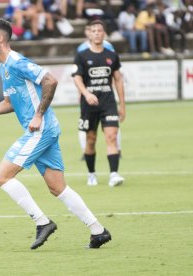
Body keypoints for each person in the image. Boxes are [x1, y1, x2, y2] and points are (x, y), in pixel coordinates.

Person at [0, 18, 111, 250]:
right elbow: (9, 103)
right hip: (43, 131)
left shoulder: (17, 61)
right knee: (57, 187)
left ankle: (43, 222)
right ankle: (98, 230)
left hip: (40, 130)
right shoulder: (4, 67)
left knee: (2, 176)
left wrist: (38, 115)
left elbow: (50, 80)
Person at [72, 20, 125, 187]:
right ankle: (91, 174)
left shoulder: (112, 55)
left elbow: (118, 79)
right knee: (91, 140)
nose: (96, 33)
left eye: (99, 30)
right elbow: (77, 78)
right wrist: (86, 93)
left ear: (104, 34)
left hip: (108, 102)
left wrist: (122, 104)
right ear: (89, 34)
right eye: (93, 30)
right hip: (89, 105)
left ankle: (114, 174)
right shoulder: (82, 55)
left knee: (111, 137)